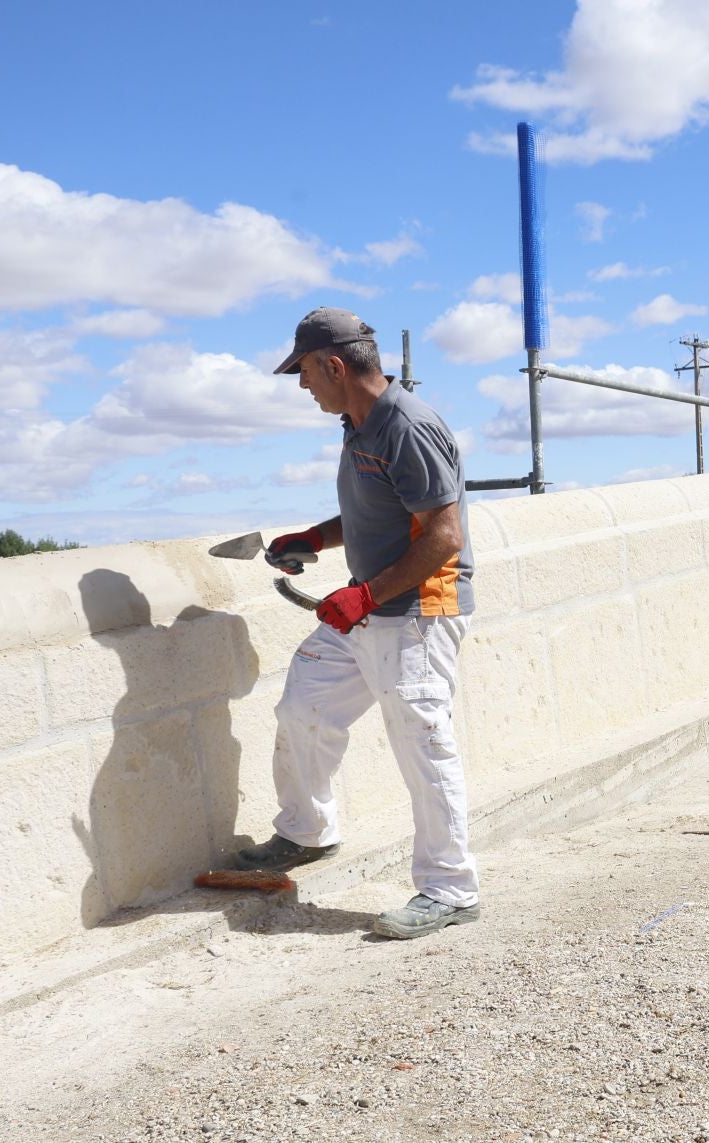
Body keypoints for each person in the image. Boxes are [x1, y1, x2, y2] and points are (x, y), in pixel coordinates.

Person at [234, 307, 482, 941]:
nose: (301, 385)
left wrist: (365, 594)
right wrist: (317, 535)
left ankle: (450, 888)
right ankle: (306, 832)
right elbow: (382, 511)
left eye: (304, 371)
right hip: (370, 607)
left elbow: (444, 537)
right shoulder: (359, 424)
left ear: (334, 365)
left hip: (417, 611)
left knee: (421, 742)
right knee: (303, 707)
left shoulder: (407, 426)